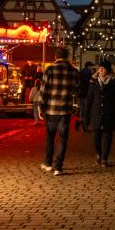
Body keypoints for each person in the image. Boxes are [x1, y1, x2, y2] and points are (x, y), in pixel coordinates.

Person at [38, 47, 79, 176]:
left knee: (50, 137)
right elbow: (77, 91)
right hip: (65, 110)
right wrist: (74, 106)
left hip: (51, 109)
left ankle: (48, 163)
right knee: (63, 139)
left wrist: (41, 107)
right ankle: (58, 167)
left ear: (56, 56)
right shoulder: (73, 71)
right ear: (67, 57)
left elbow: (43, 90)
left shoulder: (49, 70)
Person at [81, 60, 115, 166]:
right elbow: (89, 100)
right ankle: (98, 153)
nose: (100, 70)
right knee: (95, 136)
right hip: (96, 114)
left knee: (107, 137)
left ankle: (104, 158)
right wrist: (86, 117)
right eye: (99, 68)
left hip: (109, 114)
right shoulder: (94, 82)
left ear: (107, 70)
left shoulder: (114, 82)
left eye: (102, 68)